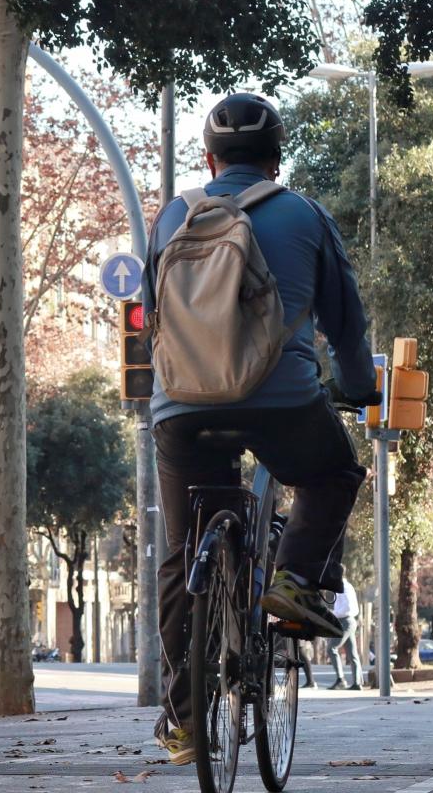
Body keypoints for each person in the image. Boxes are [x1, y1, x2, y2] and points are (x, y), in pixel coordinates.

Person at [142, 93, 379, 765]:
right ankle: (295, 581)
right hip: (283, 403)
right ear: (277, 160)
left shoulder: (171, 217)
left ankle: (183, 722)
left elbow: (150, 313)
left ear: (208, 159)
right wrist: (359, 389)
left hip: (183, 407)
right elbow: (346, 322)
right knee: (333, 473)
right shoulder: (304, 214)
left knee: (183, 547)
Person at [328, 580, 363, 690]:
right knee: (352, 654)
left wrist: (333, 613)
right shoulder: (344, 586)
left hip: (346, 621)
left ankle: (341, 679)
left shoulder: (344, 587)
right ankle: (357, 683)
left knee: (331, 648)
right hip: (347, 621)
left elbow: (347, 607)